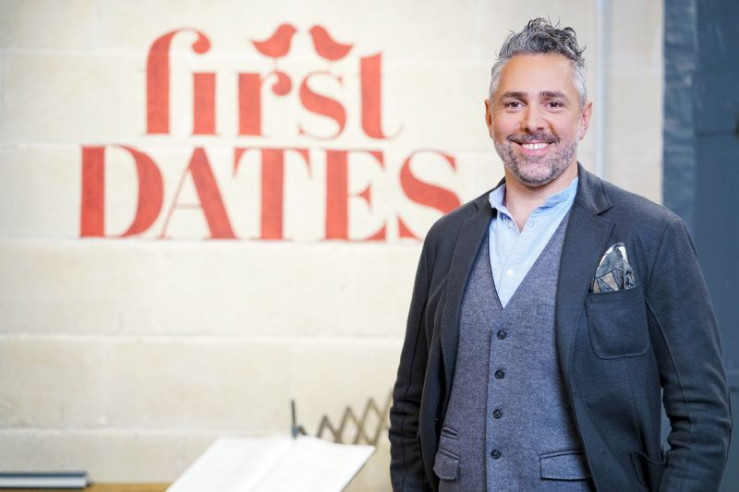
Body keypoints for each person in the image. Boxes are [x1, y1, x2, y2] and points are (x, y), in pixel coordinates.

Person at [388, 18, 731, 491]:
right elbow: (409, 408)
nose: (533, 122)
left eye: (553, 103)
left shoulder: (651, 234)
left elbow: (702, 418)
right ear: (489, 116)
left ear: (583, 117)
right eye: (514, 103)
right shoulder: (446, 240)